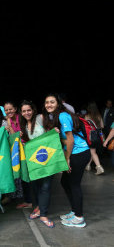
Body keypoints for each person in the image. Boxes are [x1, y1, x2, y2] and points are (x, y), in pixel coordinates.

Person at [43, 93, 91, 228]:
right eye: (47, 102)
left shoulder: (63, 116)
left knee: (74, 184)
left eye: (52, 102)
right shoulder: (56, 116)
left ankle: (79, 218)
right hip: (75, 153)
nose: (49, 105)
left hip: (78, 153)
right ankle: (75, 210)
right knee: (65, 182)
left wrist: (67, 159)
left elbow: (69, 140)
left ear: (58, 104)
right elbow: (64, 140)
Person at [20, 100, 55, 228]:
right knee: (35, 186)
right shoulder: (24, 125)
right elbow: (29, 142)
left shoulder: (41, 118)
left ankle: (44, 215)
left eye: (28, 110)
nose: (26, 113)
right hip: (34, 161)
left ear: (33, 110)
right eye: (24, 111)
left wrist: (54, 130)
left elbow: (51, 131)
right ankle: (38, 207)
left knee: (45, 186)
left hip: (47, 158)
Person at [84, 101, 104, 175]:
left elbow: (85, 127)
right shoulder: (99, 116)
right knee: (93, 151)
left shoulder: (87, 116)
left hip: (91, 136)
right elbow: (102, 126)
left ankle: (99, 167)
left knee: (93, 152)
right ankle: (88, 165)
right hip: (99, 136)